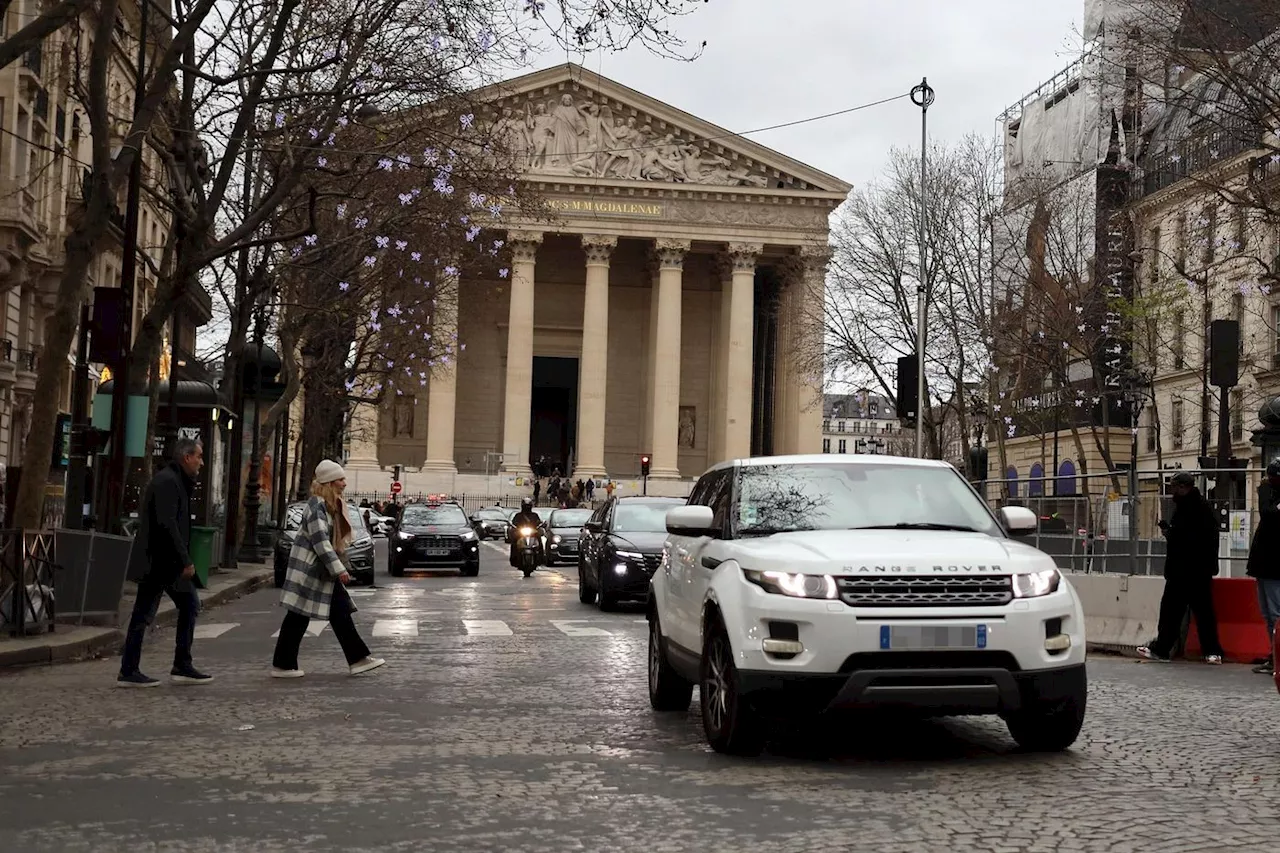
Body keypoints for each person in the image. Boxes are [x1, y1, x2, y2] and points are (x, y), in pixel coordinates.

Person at [272, 460, 385, 678]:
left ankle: (285, 663)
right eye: (340, 479)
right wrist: (339, 569)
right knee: (303, 616)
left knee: (313, 615)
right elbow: (320, 541)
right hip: (311, 570)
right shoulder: (317, 506)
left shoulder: (327, 505)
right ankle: (356, 659)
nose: (344, 483)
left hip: (317, 571)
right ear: (329, 482)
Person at [118, 438, 211, 687]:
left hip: (163, 561)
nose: (202, 462)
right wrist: (185, 560)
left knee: (179, 606)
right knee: (149, 613)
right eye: (199, 457)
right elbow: (168, 525)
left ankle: (175, 665)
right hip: (161, 562)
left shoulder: (173, 480)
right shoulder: (168, 482)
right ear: (187, 457)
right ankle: (136, 670)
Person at [1139, 472, 1225, 664]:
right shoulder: (1201, 507)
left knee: (1171, 612)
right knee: (1204, 613)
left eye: (1174, 487)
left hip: (1184, 570)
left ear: (1182, 487)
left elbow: (1186, 540)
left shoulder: (1188, 509)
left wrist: (1171, 534)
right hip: (1198, 570)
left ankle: (1162, 648)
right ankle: (1212, 651)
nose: (1172, 491)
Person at [1247, 460, 1280, 674]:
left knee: (1274, 612)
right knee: (1269, 613)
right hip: (1267, 561)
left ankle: (1276, 656)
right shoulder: (1267, 490)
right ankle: (1275, 654)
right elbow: (1269, 513)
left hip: (1272, 563)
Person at [509, 497, 542, 567]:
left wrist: (540, 525)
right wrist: (514, 527)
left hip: (533, 533)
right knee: (514, 540)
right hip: (521, 533)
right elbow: (514, 523)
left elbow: (539, 522)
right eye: (525, 506)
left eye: (528, 506)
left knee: (539, 539)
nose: (527, 508)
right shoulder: (518, 515)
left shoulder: (534, 515)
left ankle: (540, 557)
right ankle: (514, 558)